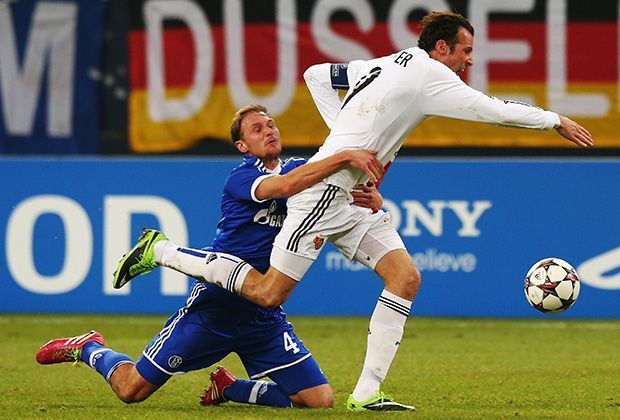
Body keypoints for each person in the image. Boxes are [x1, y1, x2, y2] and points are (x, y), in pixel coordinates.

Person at [114, 11, 595, 412]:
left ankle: (366, 394)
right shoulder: (432, 74)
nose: (470, 60)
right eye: (466, 51)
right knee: (266, 292)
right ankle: (164, 252)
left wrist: (345, 137)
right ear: (443, 48)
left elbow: (317, 76)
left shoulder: (385, 63)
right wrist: (555, 120)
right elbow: (493, 110)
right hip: (323, 196)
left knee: (405, 277)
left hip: (354, 198)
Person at [35, 104, 385, 408]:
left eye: (271, 124)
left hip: (263, 317)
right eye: (257, 128)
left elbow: (338, 193)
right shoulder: (243, 177)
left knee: (318, 400)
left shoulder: (302, 168)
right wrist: (342, 157)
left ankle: (230, 387)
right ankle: (89, 348)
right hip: (214, 310)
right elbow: (285, 187)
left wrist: (370, 199)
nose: (269, 130)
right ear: (242, 145)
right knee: (131, 390)